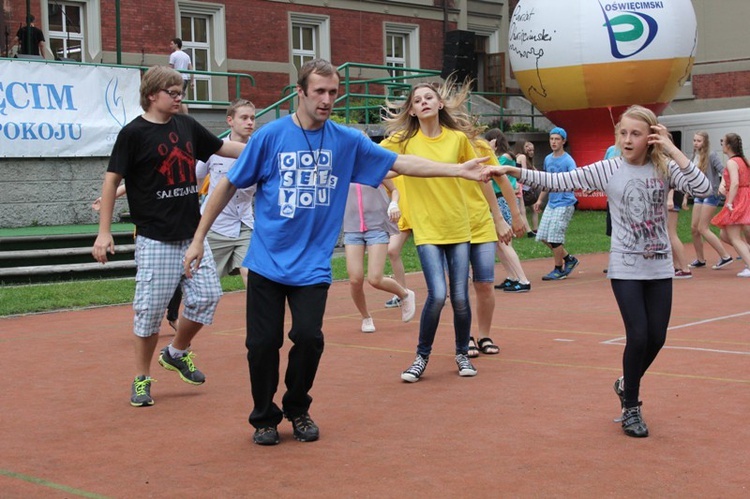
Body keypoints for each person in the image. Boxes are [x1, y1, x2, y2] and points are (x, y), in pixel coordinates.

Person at [183, 59, 490, 446]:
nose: (328, 100)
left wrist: (457, 171)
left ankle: (297, 408)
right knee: (262, 345)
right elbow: (228, 185)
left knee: (309, 339)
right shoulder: (270, 137)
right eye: (320, 92)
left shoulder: (346, 140)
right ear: (301, 93)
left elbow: (400, 162)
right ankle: (264, 417)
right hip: (266, 261)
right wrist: (198, 238)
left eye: (333, 92)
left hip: (312, 265)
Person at [489, 105, 710, 438]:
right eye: (623, 133)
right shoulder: (609, 169)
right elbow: (559, 179)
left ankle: (625, 382)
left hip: (659, 265)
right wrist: (513, 173)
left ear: (650, 137)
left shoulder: (664, 168)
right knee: (638, 335)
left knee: (658, 337)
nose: (627, 139)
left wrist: (672, 148)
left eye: (636, 134)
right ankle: (631, 407)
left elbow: (704, 188)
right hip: (625, 266)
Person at [91, 66, 245, 408]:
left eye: (180, 92)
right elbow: (111, 179)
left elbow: (222, 148)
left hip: (191, 235)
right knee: (148, 313)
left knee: (207, 296)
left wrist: (261, 151)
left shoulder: (187, 125)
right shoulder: (133, 133)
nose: (179, 98)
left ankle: (176, 352)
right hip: (156, 238)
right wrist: (104, 232)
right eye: (172, 93)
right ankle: (142, 378)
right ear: (152, 95)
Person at [380, 80, 516, 382]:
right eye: (418, 100)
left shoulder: (456, 138)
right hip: (428, 228)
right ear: (412, 110)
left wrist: (501, 215)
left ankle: (461, 354)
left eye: (430, 97)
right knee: (437, 294)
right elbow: (376, 167)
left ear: (440, 104)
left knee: (460, 296)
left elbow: (480, 177)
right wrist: (401, 171)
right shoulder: (402, 141)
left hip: (458, 224)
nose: (424, 102)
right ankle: (421, 357)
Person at [92, 184, 182, 331]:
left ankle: (173, 317)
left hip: (175, 232)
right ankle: (147, 319)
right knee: (151, 283)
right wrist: (105, 199)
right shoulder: (147, 171)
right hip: (148, 235)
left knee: (177, 280)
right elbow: (127, 184)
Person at [196, 99, 258, 288]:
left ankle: (258, 318)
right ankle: (176, 313)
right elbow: (197, 180)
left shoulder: (259, 150)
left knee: (252, 275)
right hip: (215, 226)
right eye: (244, 118)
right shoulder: (214, 149)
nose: (250, 122)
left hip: (245, 224)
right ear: (230, 120)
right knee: (202, 283)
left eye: (253, 118)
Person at [343, 179, 415, 332]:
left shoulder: (374, 167)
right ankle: (366, 317)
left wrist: (394, 203)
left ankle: (405, 294)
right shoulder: (343, 167)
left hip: (377, 227)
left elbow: (394, 190)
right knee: (355, 279)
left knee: (375, 279)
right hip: (352, 228)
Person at [484, 129, 532, 294]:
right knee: (499, 244)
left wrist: (489, 150)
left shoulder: (503, 158)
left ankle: (523, 279)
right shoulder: (504, 157)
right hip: (498, 200)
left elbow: (490, 170)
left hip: (501, 199)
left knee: (505, 243)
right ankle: (512, 277)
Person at [534, 127, 579, 280]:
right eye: (551, 139)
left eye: (557, 139)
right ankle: (569, 259)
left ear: (563, 141)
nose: (553, 142)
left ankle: (558, 269)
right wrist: (540, 200)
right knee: (543, 236)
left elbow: (575, 178)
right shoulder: (547, 159)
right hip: (552, 203)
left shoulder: (568, 160)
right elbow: (547, 182)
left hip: (565, 203)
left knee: (555, 237)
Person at [689, 131, 733, 270]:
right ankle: (700, 259)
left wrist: (722, 184)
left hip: (711, 193)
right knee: (694, 229)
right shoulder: (694, 155)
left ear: (705, 142)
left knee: (703, 228)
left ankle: (725, 256)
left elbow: (723, 170)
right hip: (698, 194)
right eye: (695, 140)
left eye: (699, 141)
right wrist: (685, 195)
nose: (696, 143)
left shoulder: (711, 154)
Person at [711, 133, 750, 275]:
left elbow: (735, 183)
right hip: (743, 196)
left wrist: (729, 202)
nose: (722, 144)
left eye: (723, 142)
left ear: (728, 146)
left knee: (734, 237)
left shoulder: (732, 162)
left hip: (737, 199)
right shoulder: (742, 160)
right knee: (724, 234)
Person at [667, 188, 692, 278]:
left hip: (671, 199)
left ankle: (685, 269)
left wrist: (670, 198)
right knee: (669, 234)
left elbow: (670, 181)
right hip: (670, 198)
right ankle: (676, 266)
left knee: (671, 234)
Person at [168, 38, 193, 113]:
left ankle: (182, 115)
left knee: (176, 97)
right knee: (181, 97)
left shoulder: (173, 55)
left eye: (172, 44)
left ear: (176, 44)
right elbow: (191, 69)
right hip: (185, 79)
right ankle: (184, 115)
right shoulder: (186, 56)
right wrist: (192, 81)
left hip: (177, 79)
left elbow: (170, 68)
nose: (170, 46)